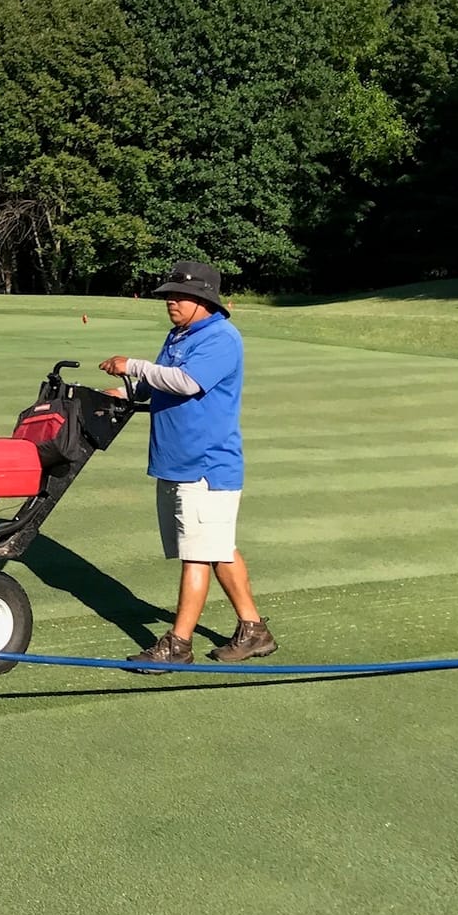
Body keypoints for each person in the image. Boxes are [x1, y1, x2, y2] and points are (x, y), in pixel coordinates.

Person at [97, 260, 276, 665]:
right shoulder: (179, 335)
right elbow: (157, 383)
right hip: (178, 461)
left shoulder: (221, 338)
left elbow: (187, 382)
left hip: (206, 466)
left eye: (182, 296)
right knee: (217, 548)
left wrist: (134, 365)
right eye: (169, 296)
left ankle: (178, 645)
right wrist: (126, 391)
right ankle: (255, 631)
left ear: (205, 299)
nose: (172, 302)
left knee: (197, 555)